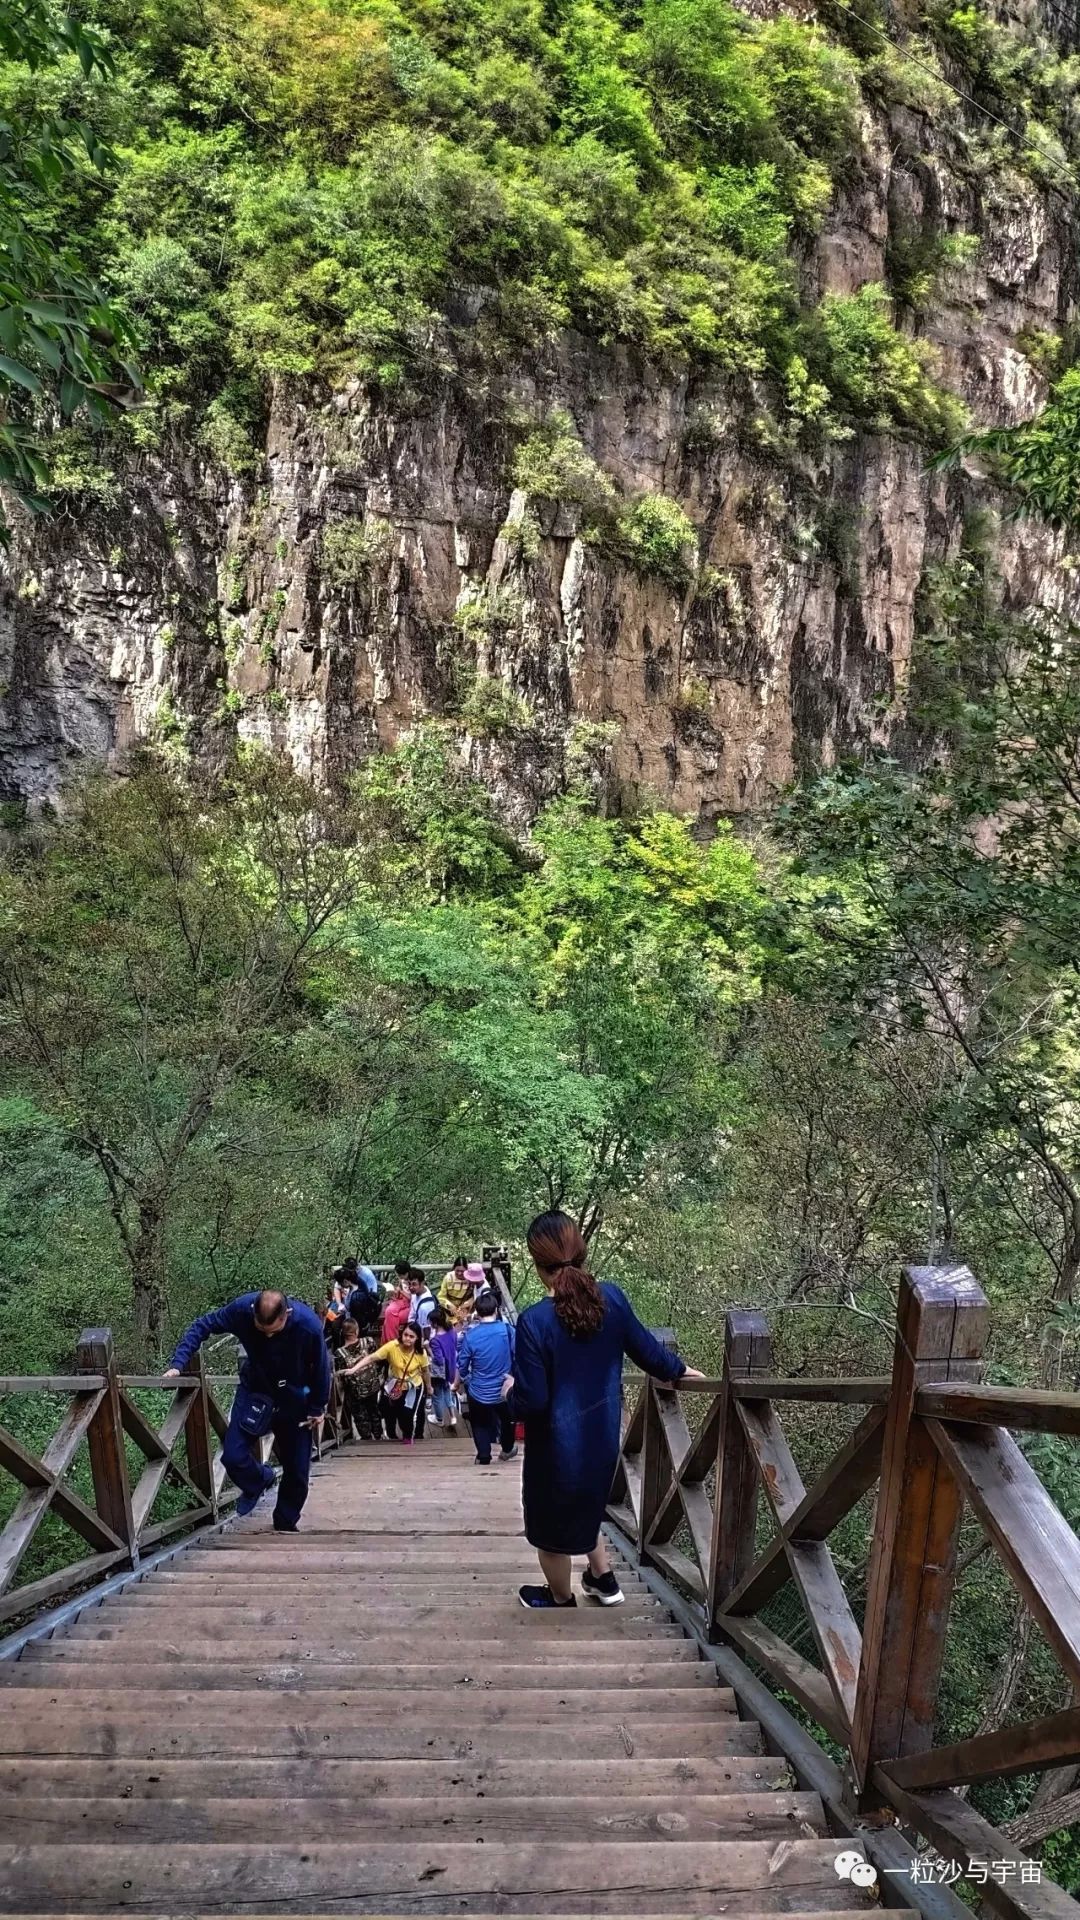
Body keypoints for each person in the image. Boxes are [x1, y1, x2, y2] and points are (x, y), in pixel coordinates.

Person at [512, 1211, 703, 1609]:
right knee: (587, 1505)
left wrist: (506, 1396)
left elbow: (533, 1401)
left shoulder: (534, 1321)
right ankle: (604, 1580)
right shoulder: (611, 1299)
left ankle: (561, 1598)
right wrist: (681, 1370)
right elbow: (648, 1352)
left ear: (537, 1264)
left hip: (555, 1447)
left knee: (549, 1531)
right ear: (581, 1251)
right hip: (602, 1438)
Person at [164, 1288, 330, 1532]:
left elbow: (321, 1367)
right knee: (233, 1455)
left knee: (297, 1469)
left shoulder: (308, 1325)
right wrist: (178, 1363)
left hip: (295, 1396)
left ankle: (284, 1522)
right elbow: (203, 1325)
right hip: (256, 1390)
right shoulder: (241, 1310)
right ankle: (259, 1480)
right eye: (261, 1331)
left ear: (287, 1315)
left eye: (273, 1331)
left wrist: (317, 1406)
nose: (268, 1336)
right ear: (253, 1313)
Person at [343, 1319, 431, 1443]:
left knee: (409, 1414)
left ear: (417, 1338)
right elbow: (372, 1357)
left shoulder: (421, 1353)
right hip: (395, 1385)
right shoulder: (392, 1347)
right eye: (405, 1335)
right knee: (390, 1411)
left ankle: (409, 1438)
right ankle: (392, 1435)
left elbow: (425, 1371)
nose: (407, 1339)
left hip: (413, 1386)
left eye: (412, 1336)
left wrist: (429, 1387)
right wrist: (353, 1369)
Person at [455, 1290, 516, 1466]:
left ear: (477, 1312)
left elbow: (463, 1364)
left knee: (480, 1423)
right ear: (496, 1310)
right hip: (503, 1388)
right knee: (507, 1420)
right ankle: (507, 1449)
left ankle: (483, 1456)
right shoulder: (507, 1330)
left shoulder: (470, 1336)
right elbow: (518, 1354)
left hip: (478, 1389)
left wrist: (463, 1379)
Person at [334, 1318, 384, 1441]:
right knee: (374, 1411)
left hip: (355, 1392)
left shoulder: (340, 1353)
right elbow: (378, 1359)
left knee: (360, 1416)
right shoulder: (368, 1341)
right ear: (356, 1331)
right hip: (373, 1387)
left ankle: (366, 1439)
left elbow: (341, 1375)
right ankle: (378, 1436)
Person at [427, 1306, 460, 1434]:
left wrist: (428, 1348)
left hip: (440, 1373)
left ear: (435, 1323)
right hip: (451, 1368)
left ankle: (439, 1418)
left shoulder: (435, 1341)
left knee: (437, 1395)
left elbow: (439, 1360)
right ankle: (452, 1416)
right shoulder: (451, 1330)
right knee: (447, 1391)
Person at [381, 1266, 413, 1345]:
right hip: (402, 1301)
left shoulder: (413, 1280)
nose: (399, 1277)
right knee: (389, 1314)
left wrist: (401, 1291)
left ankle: (391, 1343)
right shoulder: (401, 1279)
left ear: (406, 1273)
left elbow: (413, 1298)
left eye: (400, 1275)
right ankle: (390, 1343)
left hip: (411, 1304)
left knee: (390, 1317)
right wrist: (394, 1292)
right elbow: (399, 1292)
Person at [438, 1256, 472, 1323]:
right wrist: (449, 1305)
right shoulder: (448, 1278)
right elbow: (441, 1296)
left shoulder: (471, 1279)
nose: (459, 1273)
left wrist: (466, 1305)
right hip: (449, 1310)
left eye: (462, 1271)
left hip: (464, 1309)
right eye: (457, 1270)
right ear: (454, 1268)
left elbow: (474, 1295)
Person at [408, 1268, 438, 1334]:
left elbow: (426, 1329)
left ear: (422, 1283)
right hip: (414, 1325)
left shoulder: (425, 1306)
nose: (411, 1287)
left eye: (414, 1284)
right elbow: (412, 1313)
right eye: (409, 1284)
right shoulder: (416, 1293)